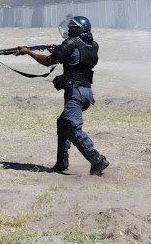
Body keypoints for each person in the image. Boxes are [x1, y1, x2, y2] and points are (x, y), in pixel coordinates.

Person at [14, 15, 110, 176]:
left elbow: (48, 61)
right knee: (63, 123)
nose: (69, 31)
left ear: (77, 29)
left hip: (75, 93)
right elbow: (75, 57)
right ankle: (61, 163)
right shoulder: (93, 45)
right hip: (86, 92)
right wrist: (59, 50)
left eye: (72, 28)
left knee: (73, 127)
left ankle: (96, 158)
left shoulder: (70, 43)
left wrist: (28, 52)